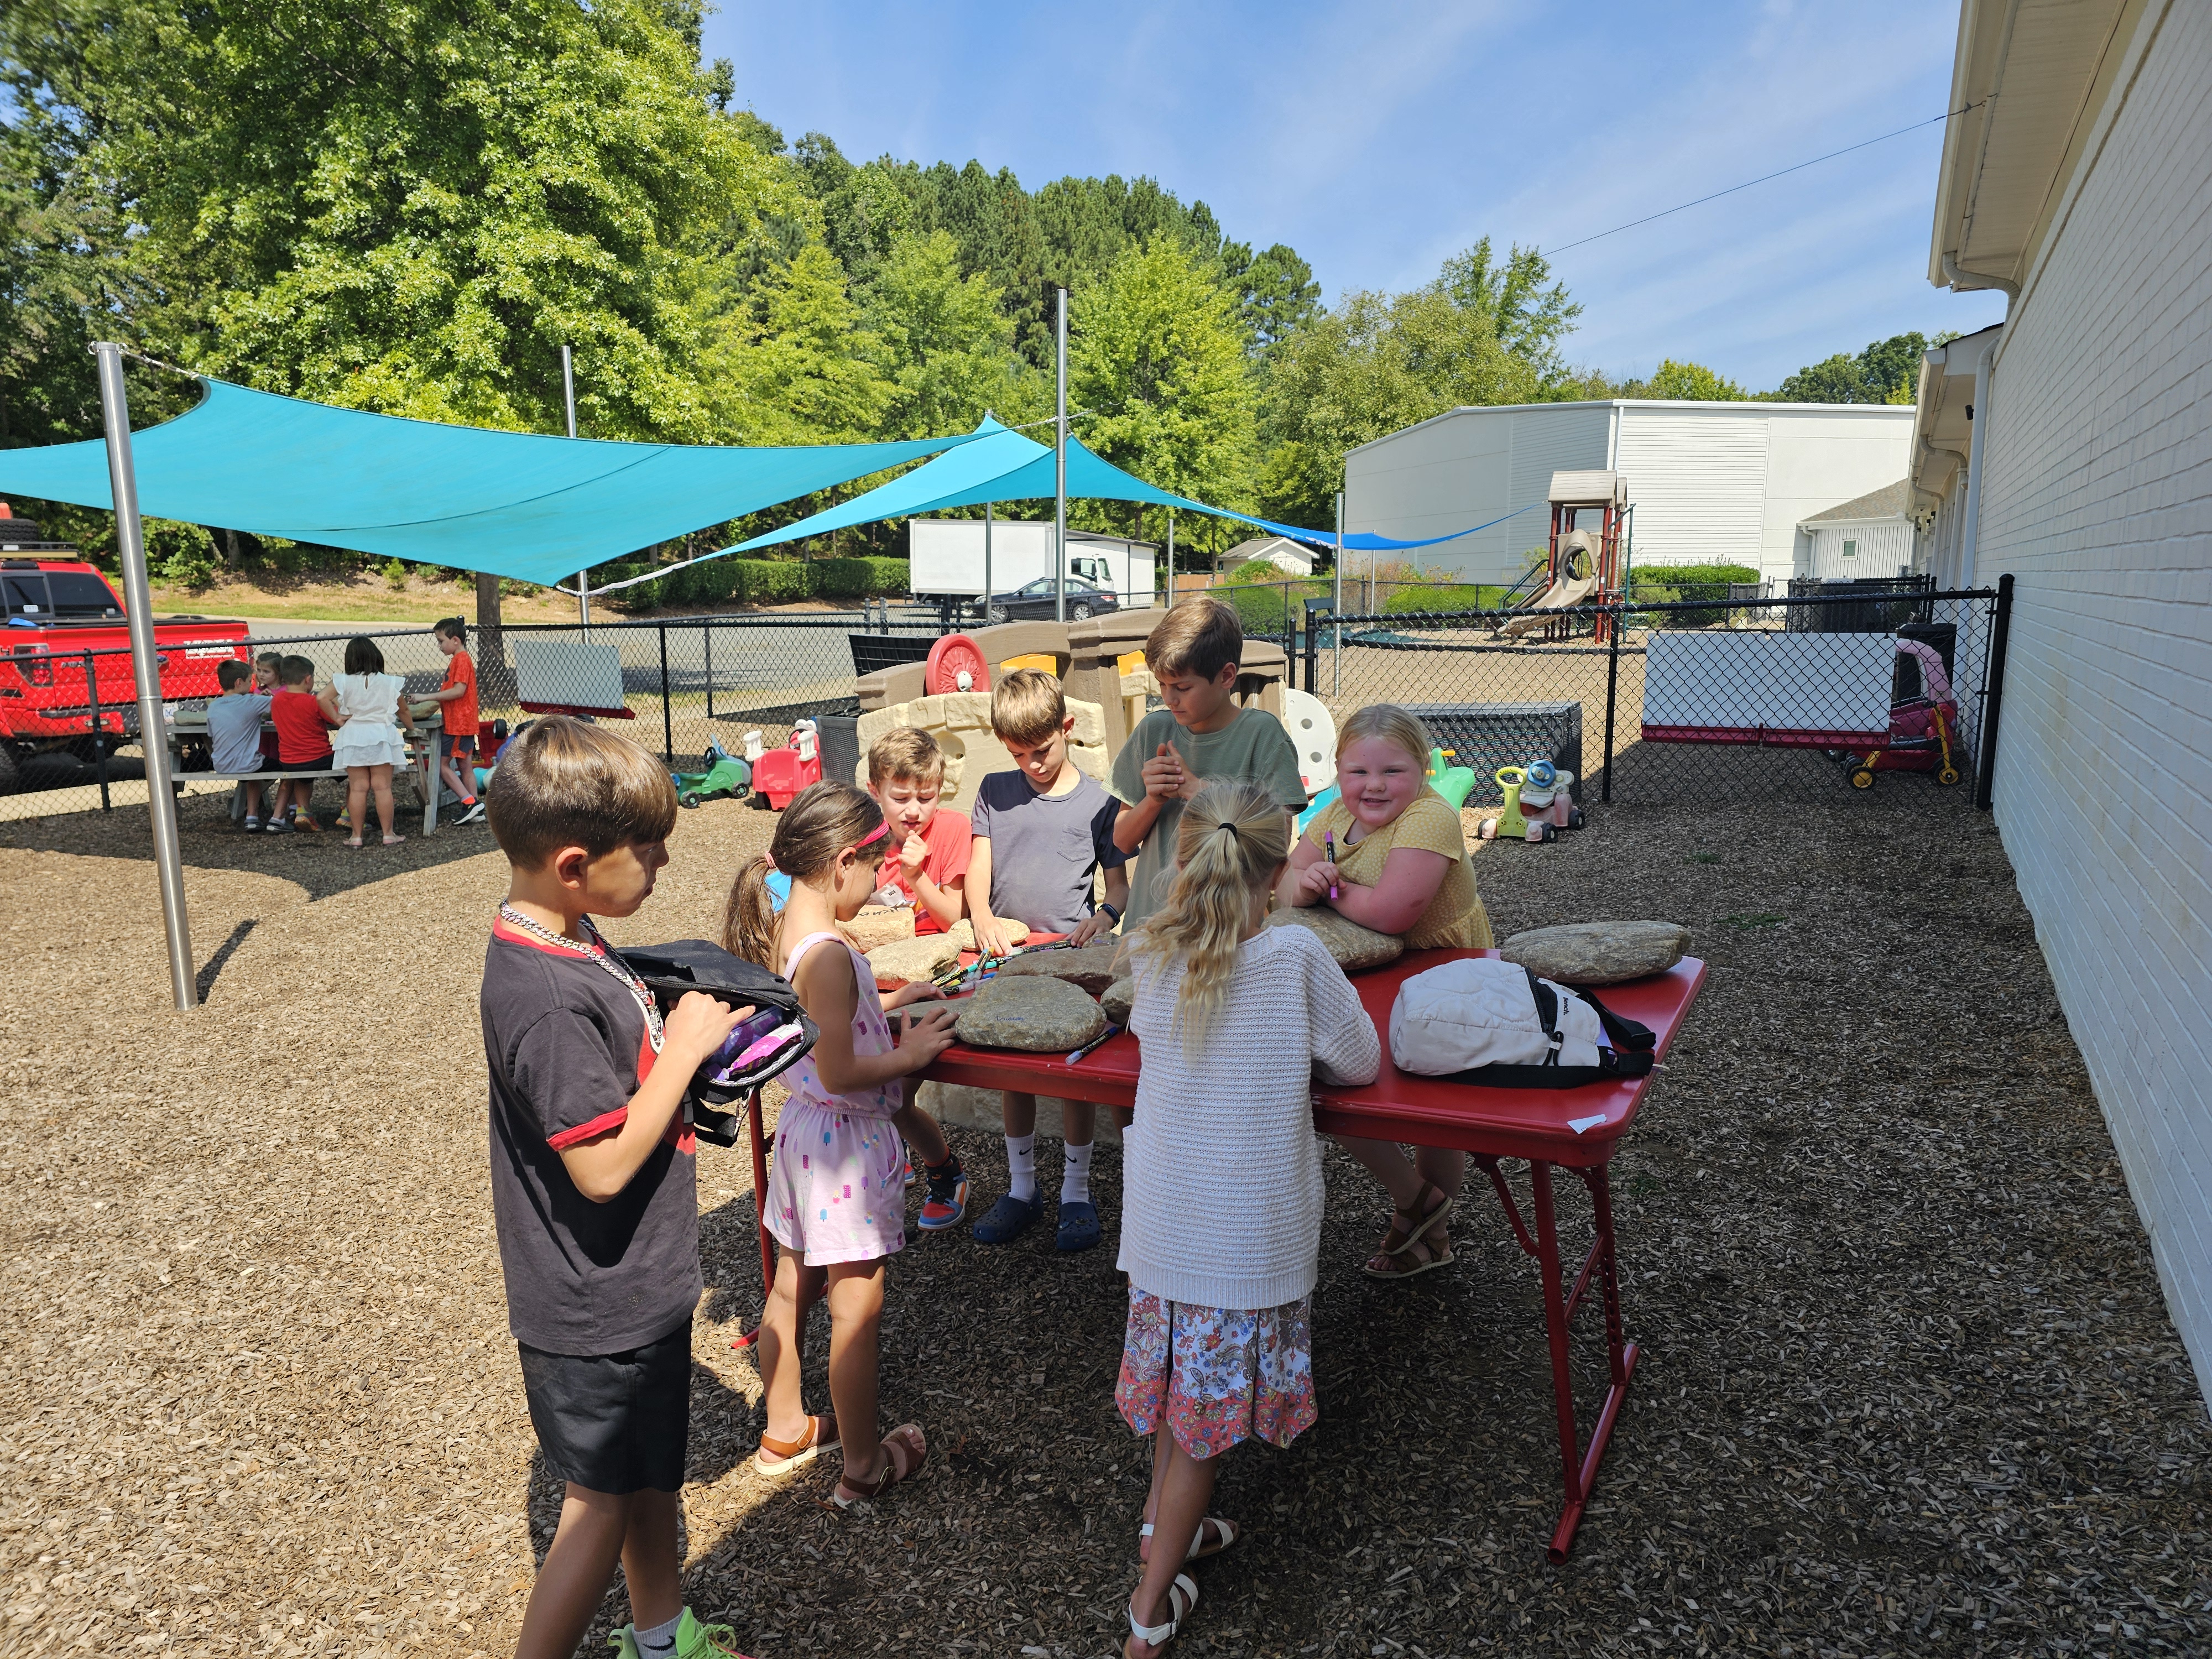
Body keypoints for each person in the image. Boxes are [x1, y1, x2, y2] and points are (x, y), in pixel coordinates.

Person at [479, 717, 758, 1659]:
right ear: (572, 865)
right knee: (597, 1508)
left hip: (632, 1285)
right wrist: (682, 1053)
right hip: (597, 1307)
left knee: (648, 1480)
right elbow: (598, 1168)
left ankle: (662, 1640)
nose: (664, 863)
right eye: (647, 850)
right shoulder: (546, 998)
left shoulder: (571, 935)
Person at [1115, 779, 1381, 1657]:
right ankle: (1149, 1613)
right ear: (1278, 872)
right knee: (1200, 1436)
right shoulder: (1296, 955)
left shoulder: (1151, 950)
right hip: (1241, 1239)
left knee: (1177, 1403)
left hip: (1166, 1226)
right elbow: (1358, 1060)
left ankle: (1165, 1531)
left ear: (1183, 858)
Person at [722, 782, 960, 1503]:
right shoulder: (828, 953)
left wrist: (890, 1001)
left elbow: (824, 1020)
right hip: (844, 1150)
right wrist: (910, 1053)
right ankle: (863, 1467)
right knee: (855, 1313)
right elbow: (842, 1069)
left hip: (803, 1140)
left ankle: (785, 1429)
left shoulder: (786, 935)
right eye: (877, 866)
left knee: (790, 1285)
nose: (882, 880)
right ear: (842, 862)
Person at [1276, 703, 1495, 1281]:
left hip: (1440, 973)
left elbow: (1394, 913)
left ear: (1422, 770)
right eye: (1358, 772)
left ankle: (1425, 1230)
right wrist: (1305, 884)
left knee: (1431, 1102)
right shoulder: (1332, 815)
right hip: (1370, 973)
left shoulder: (1429, 816)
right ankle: (1417, 1201)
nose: (1373, 786)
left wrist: (1328, 891)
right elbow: (1282, 885)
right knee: (1332, 1075)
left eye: (1391, 772)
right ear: (1339, 773)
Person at [967, 670, 1131, 1251]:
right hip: (1010, 957)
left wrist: (1106, 917)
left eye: (1041, 750)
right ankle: (1021, 1189)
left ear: (1067, 728)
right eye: (1018, 754)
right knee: (1015, 1072)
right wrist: (981, 916)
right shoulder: (993, 789)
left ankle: (1076, 1192)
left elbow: (1118, 888)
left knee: (1073, 1079)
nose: (1032, 765)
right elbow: (978, 869)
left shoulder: (1101, 802)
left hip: (1071, 960)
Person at [1110, 597, 1306, 931]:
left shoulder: (1262, 735)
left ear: (1227, 675)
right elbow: (1121, 841)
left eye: (1183, 687)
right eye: (1162, 685)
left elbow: (1276, 843)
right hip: (1151, 927)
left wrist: (1196, 790)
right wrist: (1153, 801)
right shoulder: (1152, 730)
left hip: (1229, 933)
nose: (1169, 698)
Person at [863, 727, 972, 1228]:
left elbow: (954, 919)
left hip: (932, 980)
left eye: (925, 798)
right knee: (868, 1095)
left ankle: (946, 1171)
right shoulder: (861, 837)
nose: (914, 811)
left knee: (895, 1097)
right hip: (873, 983)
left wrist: (916, 877)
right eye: (900, 798)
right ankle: (893, 1157)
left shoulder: (950, 829)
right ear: (875, 791)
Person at [326, 636, 416, 848]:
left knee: (358, 788)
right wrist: (411, 729)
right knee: (382, 787)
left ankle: (356, 836)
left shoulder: (343, 681)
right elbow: (403, 710)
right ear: (376, 657)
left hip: (353, 736)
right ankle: (388, 834)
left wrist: (337, 717)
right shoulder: (390, 682)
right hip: (381, 735)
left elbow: (321, 697)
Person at [417, 616, 483, 825]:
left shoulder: (461, 660)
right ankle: (476, 809)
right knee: (465, 766)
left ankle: (469, 803)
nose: (439, 646)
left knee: (442, 766)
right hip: (463, 723)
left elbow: (458, 691)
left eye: (441, 641)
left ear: (455, 640)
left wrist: (426, 697)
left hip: (459, 724)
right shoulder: (459, 659)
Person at [266, 655, 335, 832]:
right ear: (308, 679)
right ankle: (350, 812)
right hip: (320, 758)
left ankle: (304, 812)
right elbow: (336, 718)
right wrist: (334, 701)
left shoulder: (277, 700)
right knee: (357, 765)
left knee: (303, 777)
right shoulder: (313, 702)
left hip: (289, 761)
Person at [205, 658, 275, 831]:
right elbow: (280, 705)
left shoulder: (213, 707)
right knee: (289, 766)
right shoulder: (252, 702)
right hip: (248, 764)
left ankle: (252, 816)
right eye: (250, 681)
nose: (252, 685)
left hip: (221, 764)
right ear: (239, 682)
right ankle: (283, 813)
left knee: (253, 764)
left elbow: (211, 735)